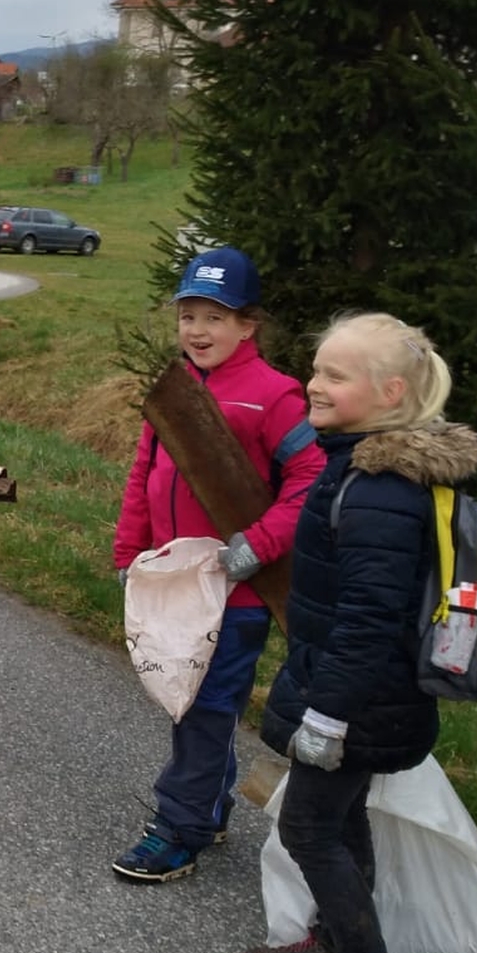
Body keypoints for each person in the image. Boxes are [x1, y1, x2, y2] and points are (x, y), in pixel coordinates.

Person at [245, 312, 476, 953]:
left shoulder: (380, 489)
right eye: (316, 369)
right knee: (340, 822)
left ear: (389, 393)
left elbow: (369, 619)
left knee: (309, 828)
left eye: (334, 376)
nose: (313, 384)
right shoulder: (353, 466)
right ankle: (334, 946)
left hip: (359, 699)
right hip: (355, 692)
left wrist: (329, 716)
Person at [112, 246, 323, 882]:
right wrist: (129, 553)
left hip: (238, 591)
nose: (198, 331)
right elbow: (145, 474)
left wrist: (259, 543)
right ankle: (210, 804)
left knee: (204, 707)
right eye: (189, 317)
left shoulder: (275, 396)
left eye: (215, 318)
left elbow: (311, 480)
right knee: (192, 701)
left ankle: (181, 829)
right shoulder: (173, 391)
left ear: (248, 324)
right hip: (176, 584)